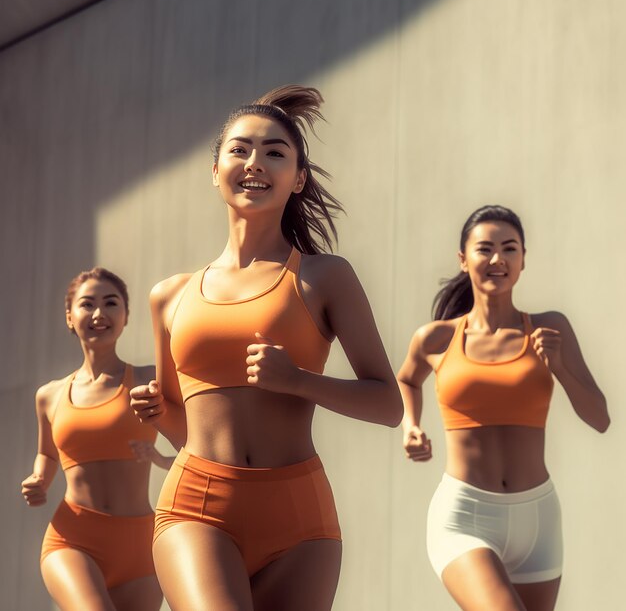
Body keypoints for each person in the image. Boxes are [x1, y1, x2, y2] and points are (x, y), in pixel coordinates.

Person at [130, 84, 403, 610]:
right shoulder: (169, 296)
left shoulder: (325, 277)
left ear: (297, 179)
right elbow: (182, 426)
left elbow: (389, 405)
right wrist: (157, 410)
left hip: (300, 518)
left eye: (275, 152)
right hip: (197, 506)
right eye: (240, 149)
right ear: (215, 171)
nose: (255, 162)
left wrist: (298, 381)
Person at [397, 205, 609, 611]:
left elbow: (600, 419)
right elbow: (407, 379)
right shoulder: (436, 339)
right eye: (485, 249)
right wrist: (411, 425)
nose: (497, 259)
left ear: (523, 259)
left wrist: (560, 367)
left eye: (509, 249)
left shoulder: (551, 329)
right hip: (463, 517)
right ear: (463, 259)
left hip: (539, 522)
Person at [21, 267, 171, 611]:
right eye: (87, 304)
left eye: (111, 303)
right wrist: (39, 479)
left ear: (126, 315)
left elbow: (197, 444)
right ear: (70, 317)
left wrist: (160, 459)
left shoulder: (150, 381)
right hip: (73, 539)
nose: (99, 314)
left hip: (139, 547)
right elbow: (47, 454)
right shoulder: (50, 395)